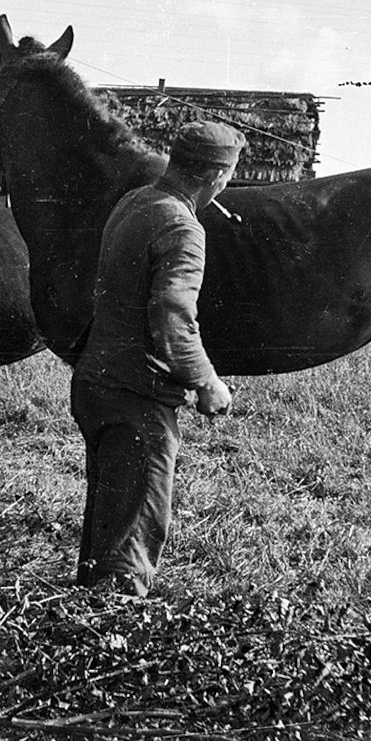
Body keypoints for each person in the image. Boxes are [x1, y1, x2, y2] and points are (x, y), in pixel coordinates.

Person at [71, 120, 246, 597]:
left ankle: (83, 616)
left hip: (96, 383)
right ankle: (111, 630)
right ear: (214, 176)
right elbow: (172, 315)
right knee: (130, 542)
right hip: (139, 396)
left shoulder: (134, 202)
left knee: (110, 512)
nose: (227, 184)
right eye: (229, 175)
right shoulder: (182, 227)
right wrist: (207, 382)